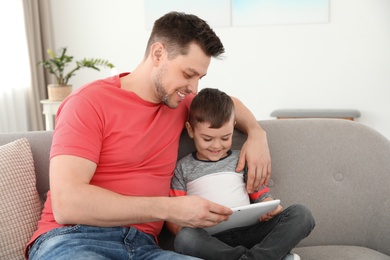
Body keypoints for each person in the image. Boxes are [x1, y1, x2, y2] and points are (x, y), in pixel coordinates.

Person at [26, 12, 273, 260]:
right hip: (73, 240)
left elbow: (230, 104)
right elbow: (67, 203)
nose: (194, 88)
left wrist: (256, 133)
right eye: (188, 74)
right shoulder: (88, 103)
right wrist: (169, 208)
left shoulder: (179, 102)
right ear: (158, 54)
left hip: (144, 248)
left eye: (200, 78)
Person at [167, 88, 315, 260]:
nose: (216, 146)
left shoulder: (242, 159)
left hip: (251, 233)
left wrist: (270, 208)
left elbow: (261, 195)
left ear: (233, 128)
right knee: (185, 238)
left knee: (302, 214)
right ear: (191, 130)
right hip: (212, 240)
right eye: (207, 139)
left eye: (225, 138)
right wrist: (189, 224)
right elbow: (174, 218)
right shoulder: (182, 168)